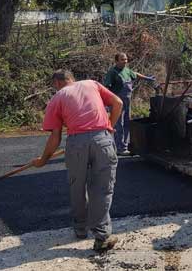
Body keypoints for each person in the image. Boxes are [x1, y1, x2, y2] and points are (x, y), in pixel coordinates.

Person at [32, 69, 124, 252]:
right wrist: (109, 128)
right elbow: (118, 103)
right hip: (102, 139)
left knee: (77, 186)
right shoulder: (92, 83)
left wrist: (43, 159)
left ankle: (80, 229)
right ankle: (102, 236)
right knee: (102, 189)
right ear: (72, 79)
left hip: (76, 144)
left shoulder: (57, 98)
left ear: (57, 83)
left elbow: (55, 137)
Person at [104, 53, 155, 156]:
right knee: (119, 124)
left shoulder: (127, 71)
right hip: (117, 103)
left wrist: (147, 78)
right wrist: (107, 103)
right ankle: (120, 148)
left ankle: (126, 145)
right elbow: (106, 88)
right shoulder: (112, 73)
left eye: (126, 59)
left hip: (127, 101)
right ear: (117, 61)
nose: (125, 61)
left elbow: (135, 74)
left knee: (127, 122)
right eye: (122, 59)